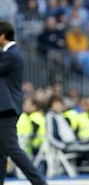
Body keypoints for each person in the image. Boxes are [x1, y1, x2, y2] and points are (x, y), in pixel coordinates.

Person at [0, 21, 47, 185]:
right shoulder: (10, 53)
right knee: (2, 150)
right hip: (6, 107)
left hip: (7, 108)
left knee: (12, 148)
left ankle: (39, 182)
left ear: (2, 36)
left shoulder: (11, 54)